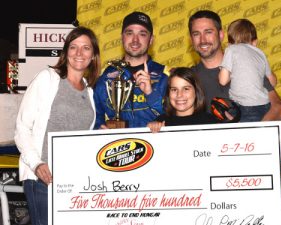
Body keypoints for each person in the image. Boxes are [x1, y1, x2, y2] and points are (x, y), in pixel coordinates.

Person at [14, 26, 100, 225]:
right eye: (73, 47)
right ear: (66, 52)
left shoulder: (89, 91)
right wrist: (36, 164)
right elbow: (22, 127)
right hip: (43, 179)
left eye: (86, 48)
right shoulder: (48, 78)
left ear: (93, 55)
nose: (79, 53)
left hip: (74, 182)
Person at [188, 10, 281, 121]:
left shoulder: (247, 64)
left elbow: (278, 109)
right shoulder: (189, 77)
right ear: (191, 39)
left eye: (208, 32)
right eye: (196, 34)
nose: (203, 40)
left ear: (221, 35)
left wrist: (251, 134)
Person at [93, 11, 169, 128]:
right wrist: (99, 127)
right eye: (129, 33)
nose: (135, 40)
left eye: (142, 34)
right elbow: (94, 116)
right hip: (116, 144)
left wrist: (151, 95)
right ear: (122, 37)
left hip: (155, 144)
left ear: (151, 40)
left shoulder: (165, 75)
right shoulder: (105, 76)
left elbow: (174, 115)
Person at [218, 18, 276, 122]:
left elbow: (223, 81)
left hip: (244, 106)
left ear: (229, 43)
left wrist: (223, 68)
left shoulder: (231, 50)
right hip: (265, 106)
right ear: (255, 42)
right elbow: (272, 82)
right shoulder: (260, 53)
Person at [147, 67, 218, 132]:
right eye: (174, 89)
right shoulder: (160, 123)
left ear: (196, 91)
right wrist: (150, 131)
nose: (179, 95)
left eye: (186, 89)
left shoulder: (211, 123)